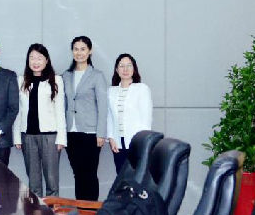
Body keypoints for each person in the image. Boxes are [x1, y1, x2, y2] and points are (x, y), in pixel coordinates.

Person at [14, 44, 66, 197]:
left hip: (50, 136)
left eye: (39, 58)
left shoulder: (56, 80)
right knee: (33, 181)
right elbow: (18, 111)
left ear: (46, 60)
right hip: (28, 136)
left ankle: (53, 210)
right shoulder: (21, 80)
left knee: (52, 180)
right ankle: (36, 211)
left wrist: (61, 138)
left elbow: (60, 110)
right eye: (32, 58)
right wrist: (17, 136)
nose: (35, 62)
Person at [62, 35, 109, 201]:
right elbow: (63, 104)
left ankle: (91, 213)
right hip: (71, 133)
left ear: (90, 51)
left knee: (89, 174)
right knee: (78, 174)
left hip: (90, 132)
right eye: (76, 49)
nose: (79, 52)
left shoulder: (97, 75)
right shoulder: (66, 76)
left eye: (83, 49)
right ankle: (81, 212)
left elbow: (103, 106)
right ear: (72, 51)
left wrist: (101, 133)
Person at [107, 53, 153, 174]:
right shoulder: (111, 91)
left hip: (136, 143)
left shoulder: (142, 89)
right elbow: (109, 117)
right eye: (121, 66)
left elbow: (146, 119)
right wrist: (111, 138)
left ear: (134, 68)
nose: (125, 69)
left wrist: (143, 143)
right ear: (117, 70)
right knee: (121, 176)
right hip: (118, 143)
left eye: (129, 65)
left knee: (136, 177)